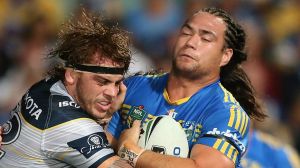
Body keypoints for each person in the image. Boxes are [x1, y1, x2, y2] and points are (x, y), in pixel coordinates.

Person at [107, 7, 266, 168]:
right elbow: (97, 146)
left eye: (206, 38)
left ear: (225, 56)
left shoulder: (227, 112)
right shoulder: (134, 87)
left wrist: (130, 151)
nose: (191, 42)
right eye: (186, 33)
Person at [0, 10, 133, 168]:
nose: (112, 93)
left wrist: (105, 117)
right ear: (71, 75)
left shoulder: (45, 86)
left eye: (117, 83)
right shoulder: (71, 124)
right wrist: (128, 145)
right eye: (102, 82)